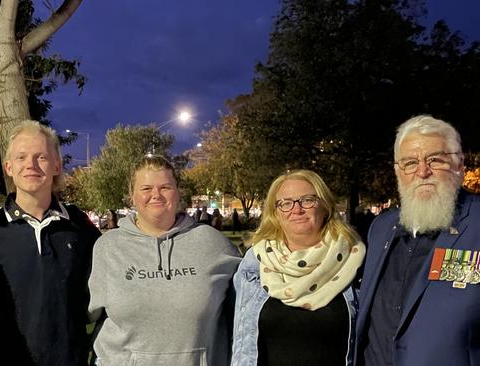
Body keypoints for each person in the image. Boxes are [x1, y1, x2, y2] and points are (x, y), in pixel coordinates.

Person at [0, 120, 101, 365]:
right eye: (21, 157)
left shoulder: (81, 229)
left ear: (56, 165)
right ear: (9, 167)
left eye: (41, 157)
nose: (31, 165)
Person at [88, 155, 241, 365]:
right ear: (132, 196)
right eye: (146, 188)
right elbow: (86, 313)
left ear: (177, 193)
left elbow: (245, 308)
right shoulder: (108, 247)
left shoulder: (213, 243)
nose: (156, 195)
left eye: (165, 187)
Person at [355, 115, 480, 366]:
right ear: (398, 172)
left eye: (436, 159)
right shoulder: (380, 229)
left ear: (459, 164)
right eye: (410, 162)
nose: (423, 172)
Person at [232, 169, 366, 366]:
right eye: (285, 203)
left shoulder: (354, 259)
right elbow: (241, 340)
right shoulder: (255, 262)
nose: (297, 210)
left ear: (325, 206)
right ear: (275, 213)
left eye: (307, 200)